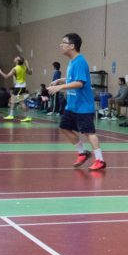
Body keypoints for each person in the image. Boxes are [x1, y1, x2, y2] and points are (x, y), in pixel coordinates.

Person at [47, 33, 106, 171]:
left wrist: (60, 87)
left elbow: (80, 82)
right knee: (64, 127)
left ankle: (100, 160)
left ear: (72, 46)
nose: (61, 45)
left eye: (64, 42)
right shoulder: (72, 61)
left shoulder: (80, 61)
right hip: (72, 106)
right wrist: (60, 80)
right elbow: (72, 78)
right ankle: (82, 152)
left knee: (89, 133)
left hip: (83, 106)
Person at [0, 55, 33, 122]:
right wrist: (27, 65)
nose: (15, 58)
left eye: (16, 58)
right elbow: (30, 73)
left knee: (21, 102)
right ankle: (11, 115)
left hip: (19, 87)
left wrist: (0, 71)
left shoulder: (15, 69)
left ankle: (27, 117)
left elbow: (6, 76)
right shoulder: (24, 67)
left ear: (18, 61)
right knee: (12, 100)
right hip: (20, 87)